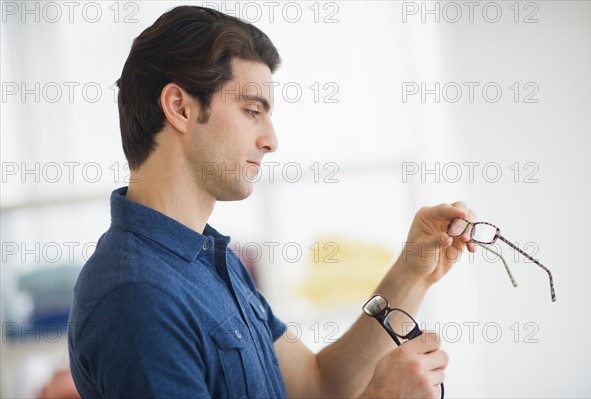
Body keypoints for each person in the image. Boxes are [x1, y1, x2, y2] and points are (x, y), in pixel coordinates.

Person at [68, 5, 476, 398]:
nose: (271, 141)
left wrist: (413, 271)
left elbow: (318, 385)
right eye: (252, 111)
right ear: (180, 108)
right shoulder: (137, 297)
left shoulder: (214, 258)